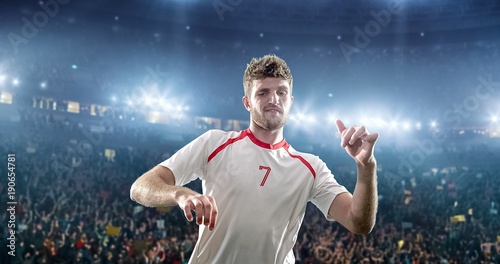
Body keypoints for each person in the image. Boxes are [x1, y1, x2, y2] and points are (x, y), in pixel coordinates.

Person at [130, 54, 379, 263]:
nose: (274, 99)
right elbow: (140, 188)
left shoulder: (311, 167)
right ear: (247, 102)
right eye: (263, 93)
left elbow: (359, 223)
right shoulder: (214, 143)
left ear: (291, 101)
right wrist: (180, 194)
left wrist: (365, 166)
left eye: (282, 92)